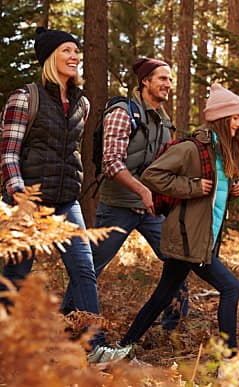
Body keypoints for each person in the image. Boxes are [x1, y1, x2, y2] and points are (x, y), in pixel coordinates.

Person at [0, 27, 130, 364]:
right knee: (15, 277)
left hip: (66, 201)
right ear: (49, 58)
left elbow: (69, 152)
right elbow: (9, 153)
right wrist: (19, 194)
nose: (74, 57)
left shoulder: (81, 103)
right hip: (27, 202)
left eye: (76, 51)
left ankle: (94, 348)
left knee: (84, 269)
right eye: (67, 51)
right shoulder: (24, 98)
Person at [61, 57, 188, 331]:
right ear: (145, 82)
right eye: (162, 78)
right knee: (91, 268)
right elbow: (111, 163)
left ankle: (174, 330)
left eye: (169, 79)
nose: (168, 84)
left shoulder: (165, 122)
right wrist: (143, 190)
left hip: (153, 209)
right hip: (118, 206)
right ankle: (68, 321)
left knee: (178, 260)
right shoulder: (122, 112)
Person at [119, 83, 239, 350]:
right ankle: (231, 364)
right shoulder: (192, 148)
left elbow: (213, 197)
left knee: (162, 296)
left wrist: (232, 191)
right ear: (222, 119)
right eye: (236, 117)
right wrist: (192, 187)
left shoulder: (222, 152)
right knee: (231, 288)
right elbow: (152, 175)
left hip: (200, 237)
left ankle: (122, 348)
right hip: (189, 238)